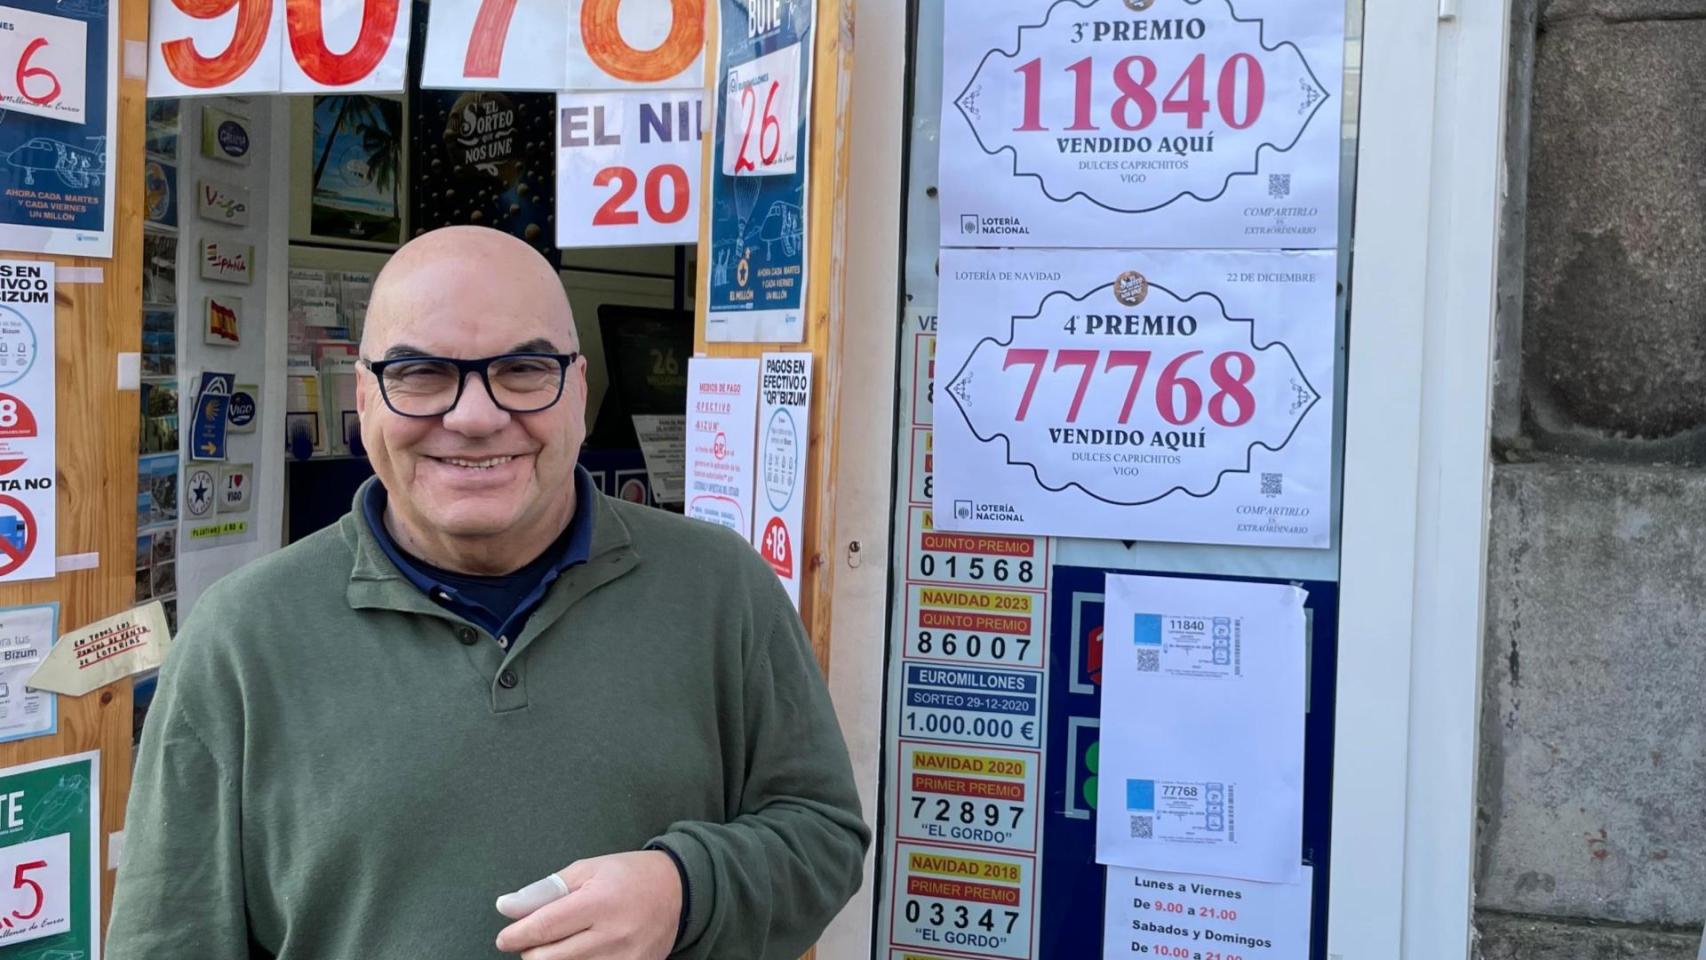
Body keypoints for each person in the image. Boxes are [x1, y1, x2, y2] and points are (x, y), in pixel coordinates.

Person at [107, 226, 869, 959]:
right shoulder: (242, 638)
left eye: (523, 370)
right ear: (364, 400)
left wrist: (685, 892)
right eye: (419, 373)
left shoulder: (718, 586)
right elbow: (169, 936)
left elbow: (823, 834)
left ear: (578, 388)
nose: (474, 416)